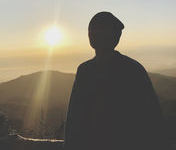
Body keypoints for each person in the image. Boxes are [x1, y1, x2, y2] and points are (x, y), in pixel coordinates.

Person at [64, 12, 168, 150]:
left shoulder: (88, 70)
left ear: (114, 37)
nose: (93, 33)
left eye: (99, 30)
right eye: (92, 29)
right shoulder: (132, 68)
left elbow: (74, 120)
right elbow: (154, 118)